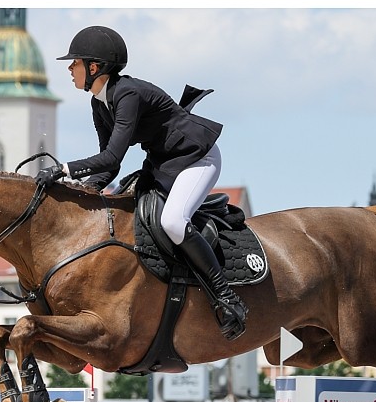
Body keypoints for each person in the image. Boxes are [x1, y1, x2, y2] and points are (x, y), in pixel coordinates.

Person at [38, 25, 248, 341]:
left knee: (173, 222)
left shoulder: (127, 94)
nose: (70, 69)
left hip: (197, 158)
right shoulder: (99, 103)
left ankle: (226, 297)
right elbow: (109, 167)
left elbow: (111, 157)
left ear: (94, 68)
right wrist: (83, 193)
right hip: (165, 164)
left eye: (75, 63)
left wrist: (63, 169)